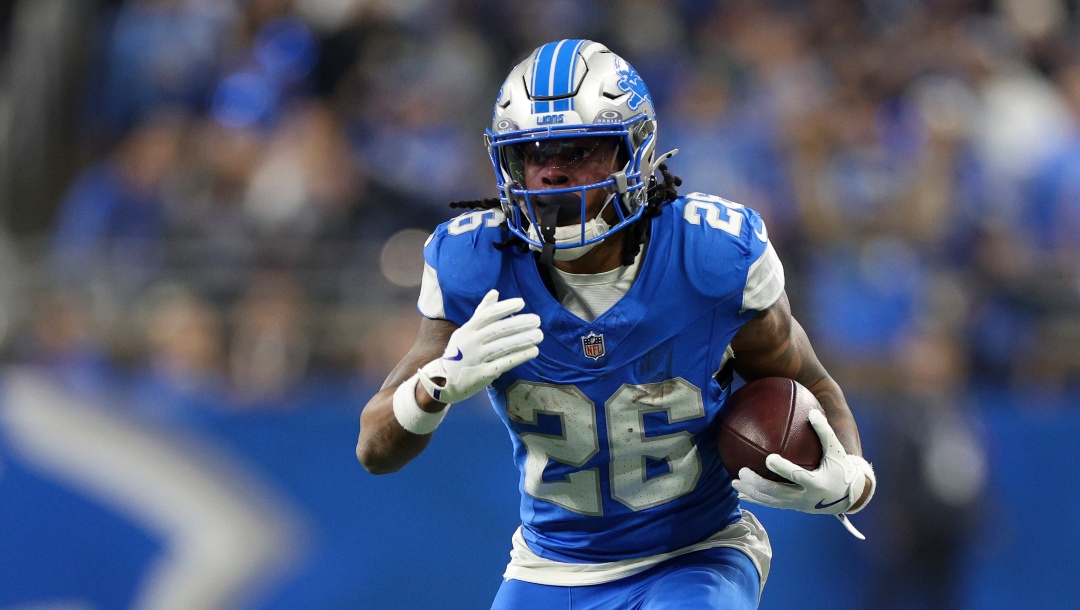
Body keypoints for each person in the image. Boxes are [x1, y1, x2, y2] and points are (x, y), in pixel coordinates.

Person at [356, 39, 876, 610]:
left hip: (695, 554)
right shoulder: (474, 263)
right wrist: (435, 387)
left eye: (577, 151)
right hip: (550, 563)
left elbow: (814, 383)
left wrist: (852, 481)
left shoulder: (710, 257)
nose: (552, 174)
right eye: (533, 153)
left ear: (634, 153)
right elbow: (374, 450)